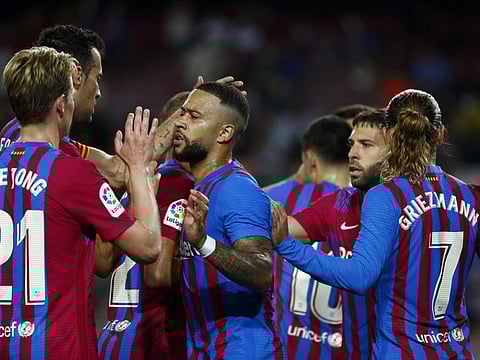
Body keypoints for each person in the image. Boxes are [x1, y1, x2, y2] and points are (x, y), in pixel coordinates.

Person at [272, 89, 480, 358]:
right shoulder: (470, 196)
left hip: (401, 350)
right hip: (456, 351)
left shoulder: (387, 196)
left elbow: (359, 276)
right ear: (441, 135)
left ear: (390, 136)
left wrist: (286, 246)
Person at [0, 46, 162, 359]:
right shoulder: (71, 172)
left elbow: (100, 261)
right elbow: (148, 245)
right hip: (60, 348)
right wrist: (139, 170)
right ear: (61, 105)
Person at [171, 82, 285, 358]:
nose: (180, 123)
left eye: (194, 117)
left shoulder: (236, 189)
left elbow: (260, 271)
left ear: (224, 133)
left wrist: (203, 243)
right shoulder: (202, 186)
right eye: (182, 113)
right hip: (208, 348)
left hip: (244, 350)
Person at [277, 109, 387, 359]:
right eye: (351, 144)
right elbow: (283, 228)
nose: (353, 153)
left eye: (366, 144)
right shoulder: (339, 203)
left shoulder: (414, 207)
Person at [96, 92, 193, 360]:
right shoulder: (184, 187)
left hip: (112, 339)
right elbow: (159, 274)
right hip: (155, 343)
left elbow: (102, 262)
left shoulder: (134, 189)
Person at [263, 115, 352, 359]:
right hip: (343, 347)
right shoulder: (366, 206)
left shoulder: (275, 199)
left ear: (309, 157)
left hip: (284, 346)